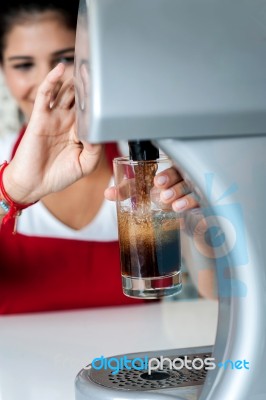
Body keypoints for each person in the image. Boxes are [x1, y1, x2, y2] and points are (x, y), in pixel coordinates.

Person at [0, 0, 215, 315]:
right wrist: (14, 189)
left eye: (65, 60)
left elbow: (217, 292)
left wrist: (201, 226)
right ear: (3, 71)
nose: (50, 82)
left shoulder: (149, 165)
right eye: (23, 65)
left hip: (128, 364)